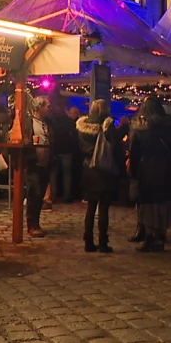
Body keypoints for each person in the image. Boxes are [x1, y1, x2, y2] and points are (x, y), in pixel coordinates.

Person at [127, 96, 171, 252]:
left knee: (149, 204)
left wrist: (135, 172)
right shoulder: (170, 127)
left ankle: (150, 237)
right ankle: (160, 235)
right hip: (167, 168)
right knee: (164, 202)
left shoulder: (140, 128)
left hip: (148, 169)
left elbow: (135, 153)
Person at [77, 99, 119, 252]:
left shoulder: (82, 127)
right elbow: (114, 147)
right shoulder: (107, 126)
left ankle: (88, 241)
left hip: (88, 168)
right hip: (104, 169)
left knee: (91, 207)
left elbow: (80, 148)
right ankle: (103, 242)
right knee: (104, 208)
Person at [26, 97, 53, 237]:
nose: (50, 108)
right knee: (34, 194)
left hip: (46, 164)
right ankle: (32, 225)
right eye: (47, 106)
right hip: (33, 164)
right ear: (40, 108)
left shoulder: (48, 123)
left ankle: (36, 223)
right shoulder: (29, 122)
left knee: (40, 195)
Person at [50, 102, 80, 204]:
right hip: (67, 150)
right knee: (67, 174)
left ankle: (53, 195)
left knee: (53, 174)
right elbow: (73, 135)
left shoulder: (53, 121)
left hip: (55, 150)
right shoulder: (69, 122)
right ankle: (67, 196)